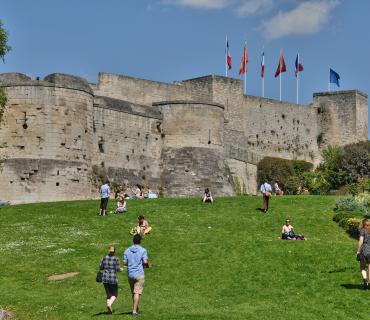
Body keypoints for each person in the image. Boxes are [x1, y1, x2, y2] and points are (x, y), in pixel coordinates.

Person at [123, 235, 150, 316]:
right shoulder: (143, 250)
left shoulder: (127, 250)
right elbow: (145, 262)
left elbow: (125, 262)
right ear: (140, 241)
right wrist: (148, 265)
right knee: (137, 293)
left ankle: (136, 309)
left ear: (133, 241)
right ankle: (134, 311)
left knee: (134, 293)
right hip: (139, 274)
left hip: (130, 274)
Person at [99, 245, 122, 314]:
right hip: (112, 278)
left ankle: (109, 310)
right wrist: (121, 269)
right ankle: (109, 305)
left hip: (105, 278)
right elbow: (118, 269)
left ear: (108, 250)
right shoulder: (116, 258)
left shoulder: (104, 258)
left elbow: (101, 267)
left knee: (108, 294)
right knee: (115, 294)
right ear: (115, 251)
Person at [356, 218, 370, 290]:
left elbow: (361, 241)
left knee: (362, 268)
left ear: (363, 224)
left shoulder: (363, 231)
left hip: (364, 251)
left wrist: (358, 251)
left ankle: (365, 281)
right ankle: (369, 282)